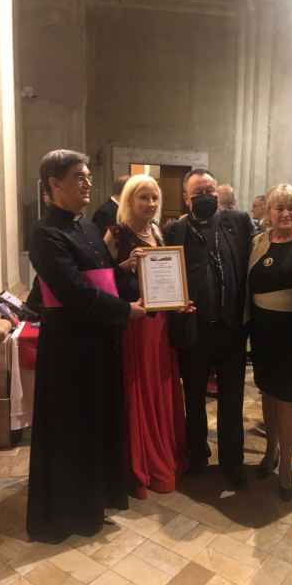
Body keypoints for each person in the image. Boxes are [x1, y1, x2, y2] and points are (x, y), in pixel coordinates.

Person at [26, 149, 145, 542]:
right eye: (79, 176)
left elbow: (100, 275)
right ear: (53, 184)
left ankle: (94, 500)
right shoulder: (45, 233)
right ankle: (69, 511)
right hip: (70, 349)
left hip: (99, 342)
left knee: (97, 424)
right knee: (72, 429)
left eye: (88, 176)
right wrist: (126, 311)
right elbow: (74, 291)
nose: (88, 182)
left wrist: (123, 270)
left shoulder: (89, 227)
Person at [164, 169, 253, 488]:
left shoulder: (238, 222)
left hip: (231, 329)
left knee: (232, 399)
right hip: (194, 330)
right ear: (186, 198)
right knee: (194, 397)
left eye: (210, 190)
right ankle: (198, 456)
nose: (205, 196)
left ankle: (232, 462)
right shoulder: (174, 230)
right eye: (198, 193)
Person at [104, 174, 189, 498]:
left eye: (154, 198)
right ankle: (141, 462)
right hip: (134, 326)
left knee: (160, 385)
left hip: (160, 325)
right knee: (139, 387)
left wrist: (180, 301)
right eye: (143, 197)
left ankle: (163, 450)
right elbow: (101, 281)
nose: (151, 203)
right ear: (129, 200)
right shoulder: (115, 233)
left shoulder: (158, 231)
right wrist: (124, 265)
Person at [247, 184, 292, 501]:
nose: (286, 213)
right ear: (269, 212)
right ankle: (270, 451)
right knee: (267, 393)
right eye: (279, 207)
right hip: (263, 333)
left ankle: (287, 465)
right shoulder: (258, 242)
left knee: (289, 401)